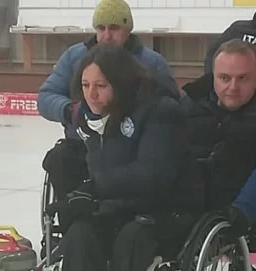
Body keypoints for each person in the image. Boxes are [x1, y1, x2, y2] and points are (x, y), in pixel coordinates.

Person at [46, 43, 203, 271]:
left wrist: (98, 190)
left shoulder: (161, 112)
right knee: (79, 235)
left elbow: (153, 175)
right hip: (118, 207)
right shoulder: (93, 118)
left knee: (131, 239)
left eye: (101, 86)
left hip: (166, 210)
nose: (92, 94)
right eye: (86, 86)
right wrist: (82, 195)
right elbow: (97, 171)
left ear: (121, 83)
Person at [38, 0, 180, 233]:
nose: (106, 35)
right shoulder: (75, 56)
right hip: (83, 142)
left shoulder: (152, 62)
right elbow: (45, 96)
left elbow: (173, 103)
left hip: (132, 146)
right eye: (100, 28)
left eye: (114, 28)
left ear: (127, 30)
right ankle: (71, 226)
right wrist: (69, 109)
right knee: (60, 159)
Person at [182, 39, 256, 235]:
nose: (233, 87)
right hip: (195, 192)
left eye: (243, 78)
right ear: (212, 76)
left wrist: (244, 208)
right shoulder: (193, 99)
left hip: (250, 196)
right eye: (224, 78)